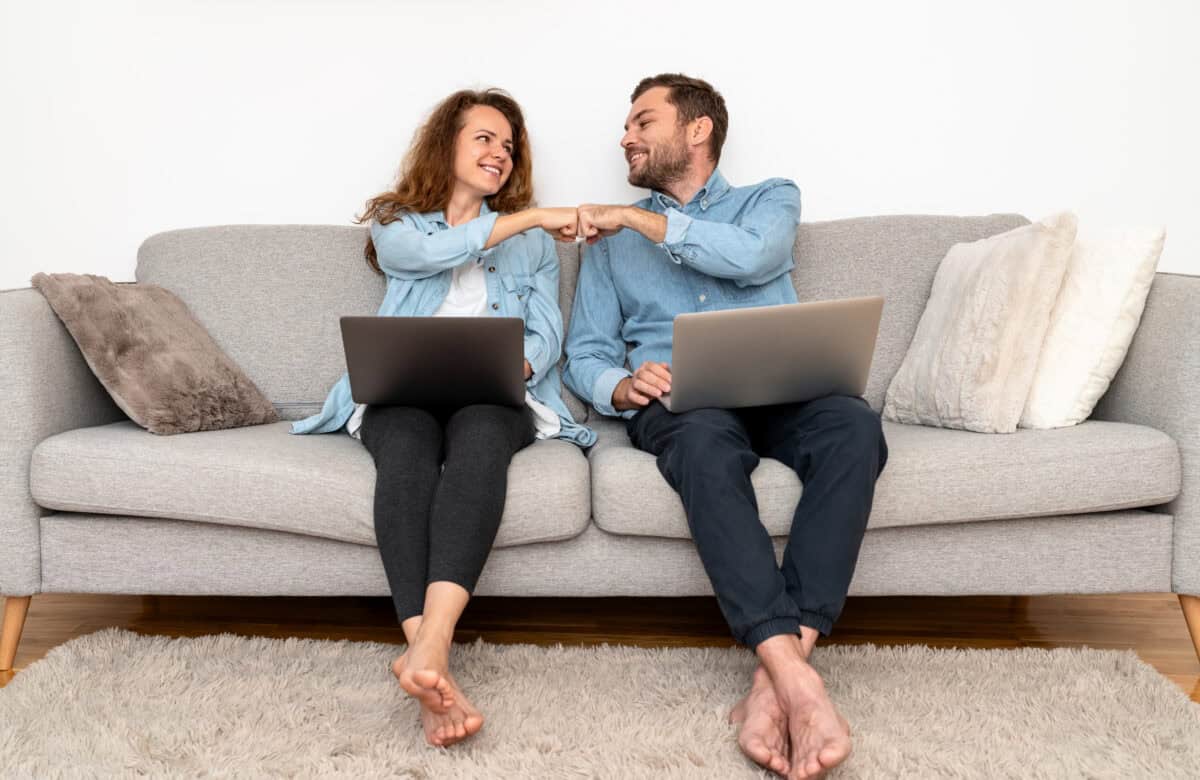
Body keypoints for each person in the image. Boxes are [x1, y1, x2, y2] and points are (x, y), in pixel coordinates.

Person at [563, 74, 888, 779]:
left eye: (643, 121)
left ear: (698, 130)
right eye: (626, 125)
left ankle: (776, 678)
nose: (626, 136)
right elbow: (584, 352)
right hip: (685, 402)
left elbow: (753, 258)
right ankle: (798, 680)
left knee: (856, 430)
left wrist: (641, 220)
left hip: (788, 389)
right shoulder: (610, 245)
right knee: (704, 448)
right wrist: (620, 384)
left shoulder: (769, 199)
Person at [293, 88, 595, 748]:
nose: (500, 154)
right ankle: (429, 663)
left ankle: (427, 649)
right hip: (404, 388)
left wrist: (523, 362)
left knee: (482, 441)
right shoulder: (398, 221)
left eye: (508, 146)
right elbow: (426, 258)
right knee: (404, 453)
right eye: (484, 138)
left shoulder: (534, 247)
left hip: (492, 390)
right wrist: (529, 217)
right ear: (447, 146)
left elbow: (547, 327)